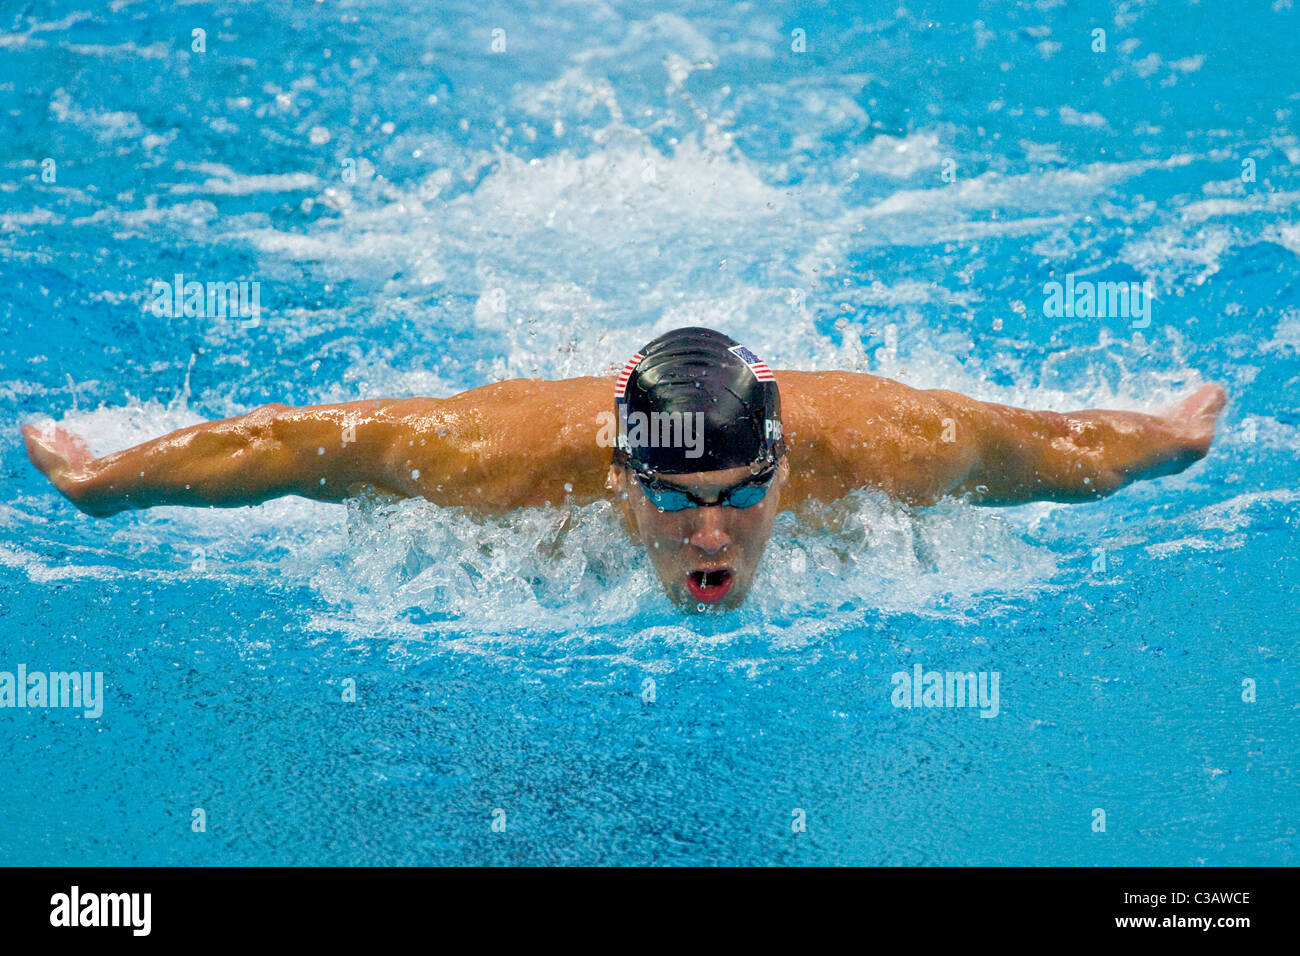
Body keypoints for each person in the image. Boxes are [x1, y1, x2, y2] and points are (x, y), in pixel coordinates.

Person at [21, 326, 1226, 610]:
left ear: (783, 459)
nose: (712, 537)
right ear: (617, 473)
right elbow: (285, 443)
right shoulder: (488, 463)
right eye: (676, 501)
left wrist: (1167, 436)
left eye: (740, 496)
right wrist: (104, 478)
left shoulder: (891, 447)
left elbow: (1063, 448)